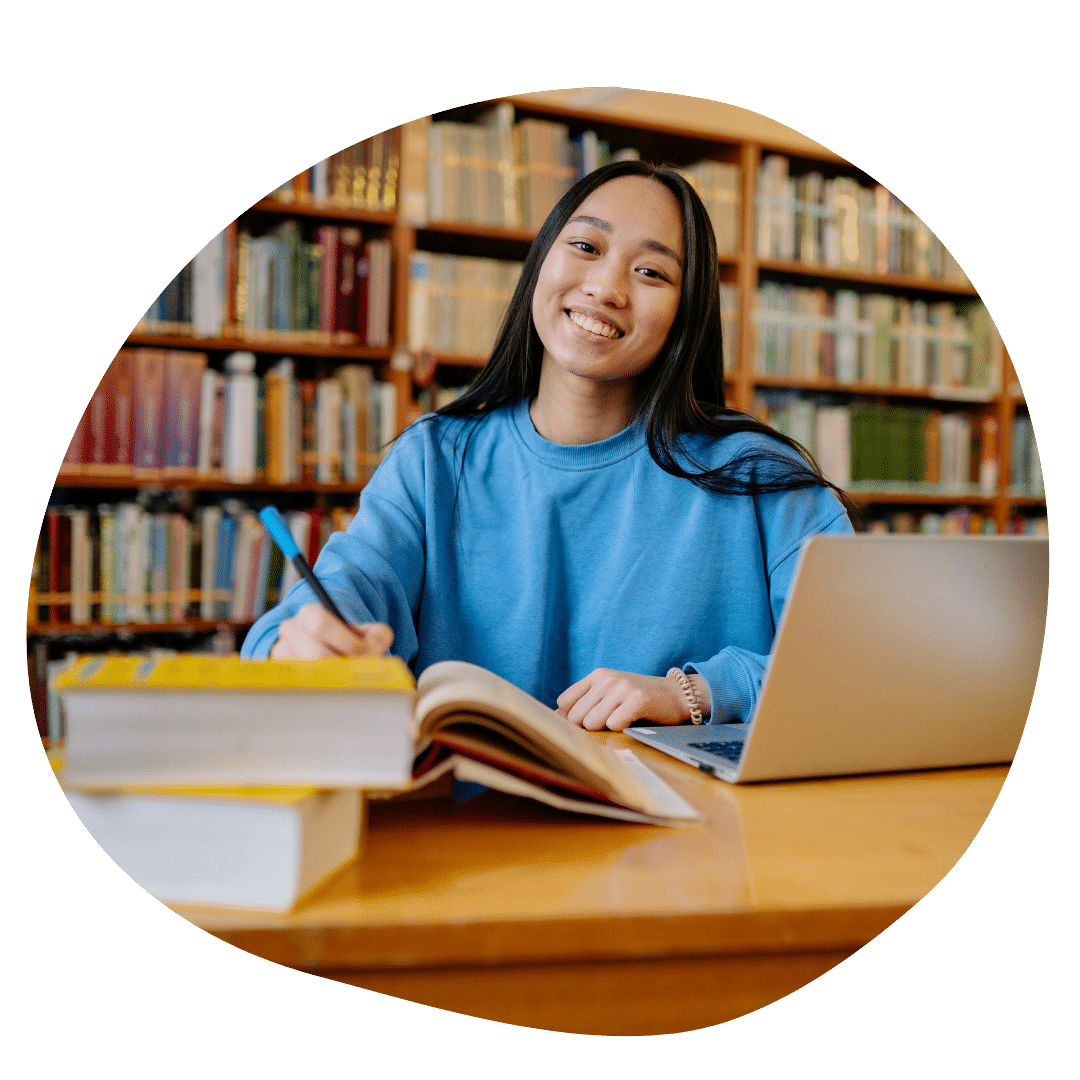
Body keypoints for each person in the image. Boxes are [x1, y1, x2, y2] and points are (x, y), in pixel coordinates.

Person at [242, 160, 854, 731]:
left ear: (686, 312)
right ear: (541, 263)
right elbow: (351, 584)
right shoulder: (432, 461)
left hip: (694, 837)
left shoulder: (762, 478)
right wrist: (299, 637)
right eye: (585, 247)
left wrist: (691, 693)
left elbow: (854, 667)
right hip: (470, 833)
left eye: (651, 272)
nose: (607, 287)